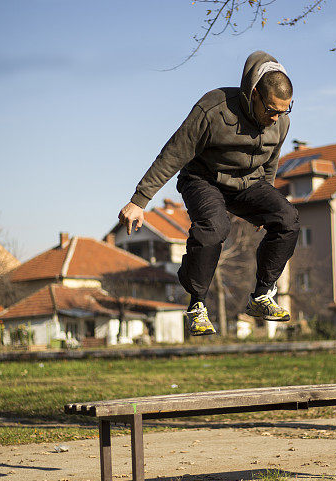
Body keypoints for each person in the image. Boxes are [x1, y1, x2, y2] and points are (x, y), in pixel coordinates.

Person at [118, 51, 299, 336]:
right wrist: (139, 200)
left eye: (284, 111)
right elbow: (174, 153)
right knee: (215, 228)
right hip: (204, 179)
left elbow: (270, 163)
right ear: (253, 94)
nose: (276, 118)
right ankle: (197, 304)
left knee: (288, 218)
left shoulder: (281, 122)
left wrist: (266, 206)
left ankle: (262, 295)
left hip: (248, 184)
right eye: (272, 110)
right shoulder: (214, 109)